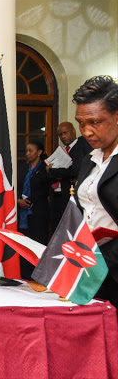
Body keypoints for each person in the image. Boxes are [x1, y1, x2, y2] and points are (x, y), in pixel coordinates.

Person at [73, 75, 118, 309]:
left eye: (95, 122)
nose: (86, 131)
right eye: (81, 123)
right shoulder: (89, 159)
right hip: (91, 266)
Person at [47, 121, 92, 231]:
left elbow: (76, 170)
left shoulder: (81, 144)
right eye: (60, 134)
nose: (63, 136)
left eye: (65, 133)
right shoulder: (61, 150)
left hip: (76, 194)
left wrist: (53, 171)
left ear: (73, 131)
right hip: (60, 194)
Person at [17, 140, 50, 279]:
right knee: (24, 243)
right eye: (27, 151)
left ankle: (37, 276)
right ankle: (24, 275)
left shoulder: (45, 168)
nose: (28, 154)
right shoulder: (23, 167)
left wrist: (30, 201)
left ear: (39, 152)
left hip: (38, 212)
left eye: (31, 151)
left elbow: (46, 189)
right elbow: (16, 186)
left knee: (37, 242)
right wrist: (18, 200)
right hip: (23, 211)